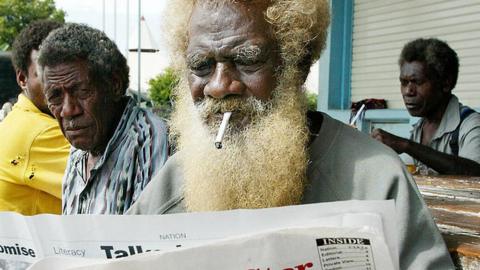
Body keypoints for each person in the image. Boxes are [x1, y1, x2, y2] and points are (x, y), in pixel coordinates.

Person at [128, 1, 454, 268]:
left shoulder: (376, 179)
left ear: (298, 66)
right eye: (201, 65)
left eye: (247, 61)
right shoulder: (177, 178)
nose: (218, 86)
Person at [37, 23, 169, 214]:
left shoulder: (146, 138)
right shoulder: (79, 151)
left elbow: (149, 239)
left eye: (82, 92)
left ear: (114, 85)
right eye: (55, 97)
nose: (68, 110)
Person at [372, 38, 480, 176]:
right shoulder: (418, 130)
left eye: (417, 82)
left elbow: (476, 172)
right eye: (404, 83)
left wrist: (406, 145)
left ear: (446, 83)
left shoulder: (470, 126)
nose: (408, 91)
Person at [0, 20, 70, 215]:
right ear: (23, 79)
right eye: (47, 74)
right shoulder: (40, 133)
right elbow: (114, 185)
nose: (61, 83)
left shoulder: (20, 119)